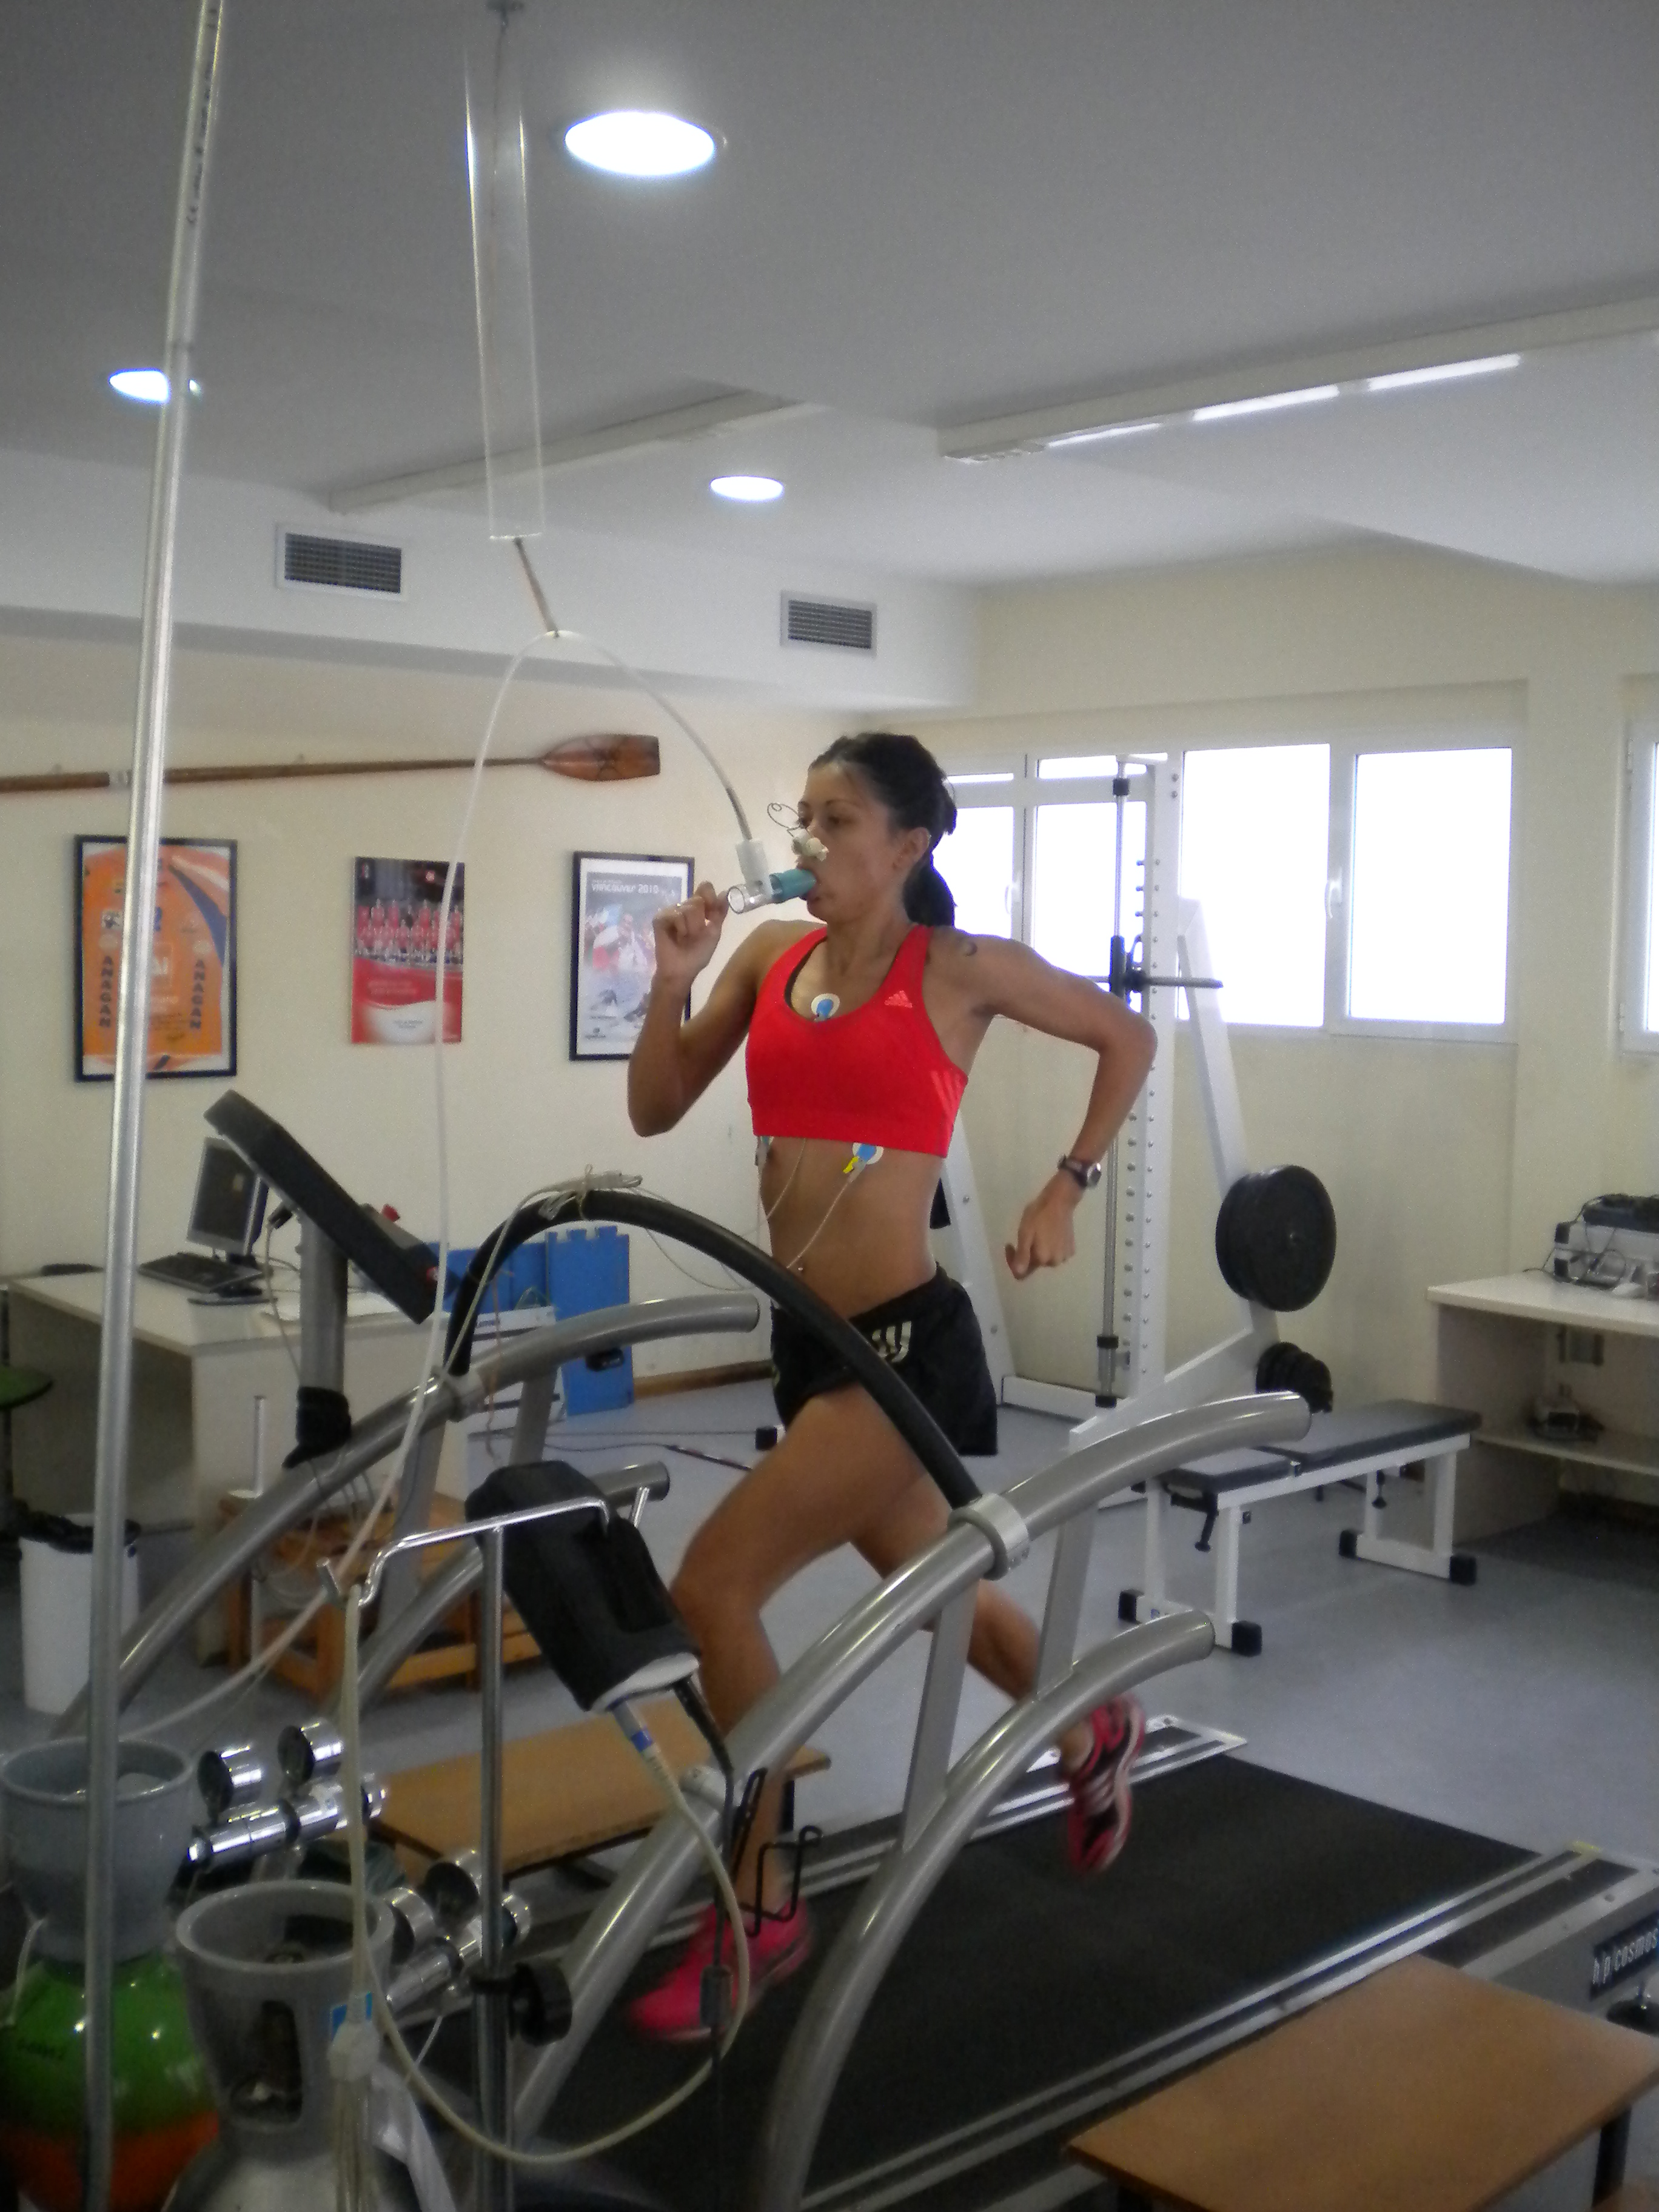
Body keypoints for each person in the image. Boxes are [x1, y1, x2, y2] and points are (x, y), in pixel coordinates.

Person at [625, 730, 1157, 2040]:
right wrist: (671, 985)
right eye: (802, 817)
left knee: (713, 1588)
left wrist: (1066, 1185)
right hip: (809, 1343)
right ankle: (1092, 1728)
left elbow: (1127, 1036)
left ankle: (762, 1896)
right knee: (936, 1592)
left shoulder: (959, 970)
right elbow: (654, 1107)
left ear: (909, 844)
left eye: (837, 819)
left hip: (904, 1350)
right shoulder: (768, 957)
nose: (809, 840)